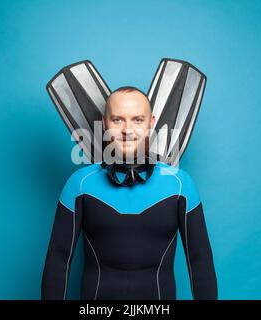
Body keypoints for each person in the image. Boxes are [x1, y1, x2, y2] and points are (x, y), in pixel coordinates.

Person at [41, 86, 218, 300]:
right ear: (105, 124)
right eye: (117, 120)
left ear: (151, 124)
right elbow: (58, 259)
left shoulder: (180, 184)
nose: (127, 129)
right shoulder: (80, 184)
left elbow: (200, 262)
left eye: (137, 120)